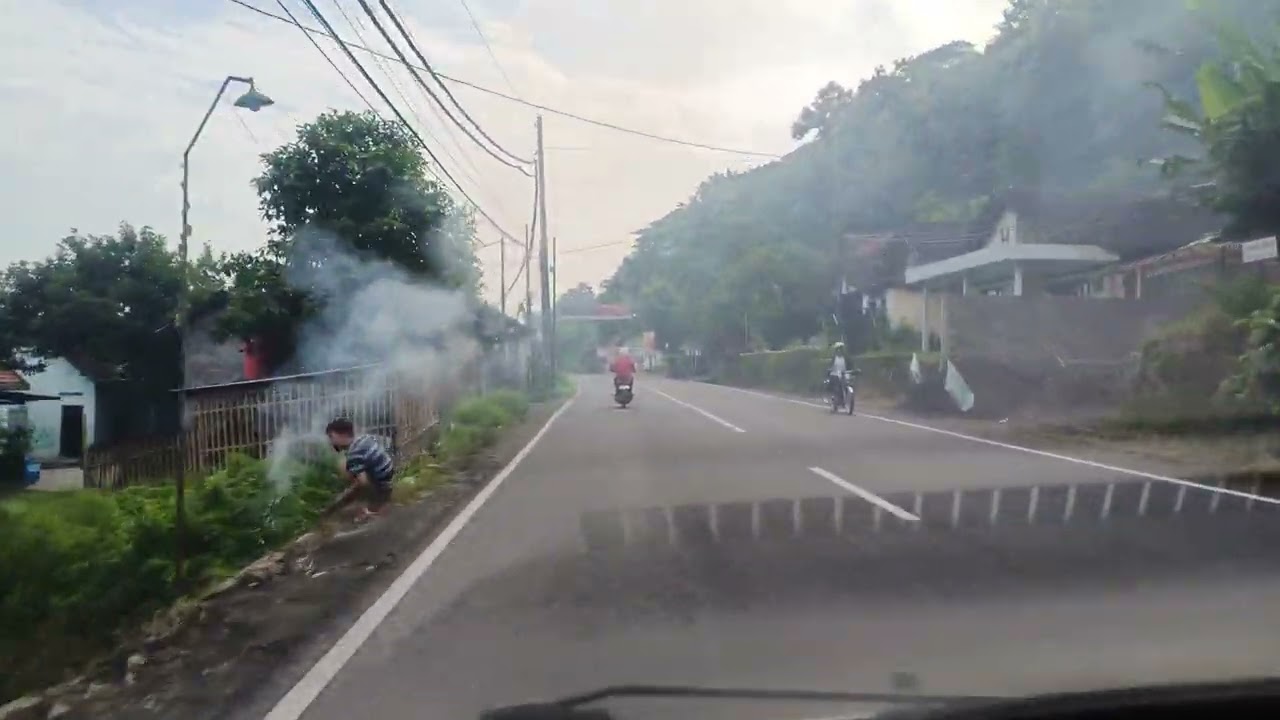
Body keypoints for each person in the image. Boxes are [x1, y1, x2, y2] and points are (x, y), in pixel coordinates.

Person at [324, 417, 395, 521]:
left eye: (331, 437)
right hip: (388, 474)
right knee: (346, 465)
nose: (331, 441)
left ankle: (368, 508)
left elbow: (363, 483)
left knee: (349, 503)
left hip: (382, 486)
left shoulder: (354, 453)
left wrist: (342, 499)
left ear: (340, 435)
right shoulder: (364, 438)